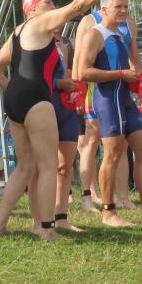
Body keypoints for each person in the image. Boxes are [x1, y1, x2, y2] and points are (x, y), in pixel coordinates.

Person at [0, 0, 134, 240]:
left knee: (25, 167)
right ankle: (46, 229)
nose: (53, 6)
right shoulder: (40, 23)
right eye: (47, 2)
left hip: (15, 100)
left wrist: (16, 89)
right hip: (36, 100)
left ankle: (0, 225)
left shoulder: (18, 32)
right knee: (48, 166)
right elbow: (77, 6)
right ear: (32, 9)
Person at [77, 0, 142, 227]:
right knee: (112, 154)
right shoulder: (94, 34)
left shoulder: (120, 36)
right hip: (107, 101)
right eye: (118, 7)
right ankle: (108, 213)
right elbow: (83, 72)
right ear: (104, 10)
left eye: (125, 7)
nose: (123, 11)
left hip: (125, 100)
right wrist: (120, 74)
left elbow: (135, 64)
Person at [50, 33, 82, 231]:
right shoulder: (34, 39)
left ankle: (61, 217)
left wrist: (74, 90)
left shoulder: (64, 44)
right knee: (45, 166)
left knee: (65, 165)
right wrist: (59, 84)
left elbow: (68, 73)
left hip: (66, 106)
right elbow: (33, 78)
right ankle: (42, 218)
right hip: (46, 105)